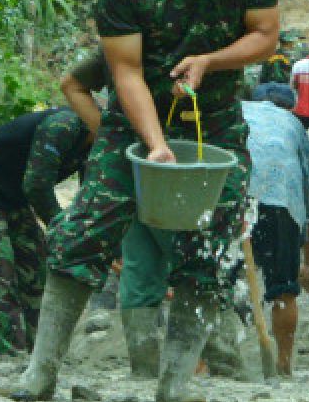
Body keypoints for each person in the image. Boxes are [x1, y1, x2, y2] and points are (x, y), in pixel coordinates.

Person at [0, 0, 279, 402]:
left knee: (210, 243)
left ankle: (176, 385)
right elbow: (124, 72)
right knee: (83, 235)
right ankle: (40, 373)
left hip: (214, 122)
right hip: (134, 122)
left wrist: (209, 61)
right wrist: (154, 142)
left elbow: (265, 36)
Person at [60, 52, 247, 380]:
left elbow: (71, 84)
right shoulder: (192, 47)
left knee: (140, 266)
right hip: (183, 174)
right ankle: (223, 365)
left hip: (136, 168)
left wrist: (113, 138)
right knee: (200, 263)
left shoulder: (122, 47)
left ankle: (144, 369)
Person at [0, 109, 92, 356]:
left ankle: (38, 355)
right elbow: (37, 185)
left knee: (36, 268)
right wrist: (62, 229)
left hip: (14, 197)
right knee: (0, 272)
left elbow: (90, 196)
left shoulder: (97, 144)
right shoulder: (64, 126)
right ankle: (12, 357)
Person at [245, 83, 309, 376]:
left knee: (218, 280)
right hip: (281, 205)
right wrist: (308, 262)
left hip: (235, 195)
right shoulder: (294, 125)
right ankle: (283, 364)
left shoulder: (239, 112)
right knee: (284, 291)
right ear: (290, 107)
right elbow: (308, 195)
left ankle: (204, 365)